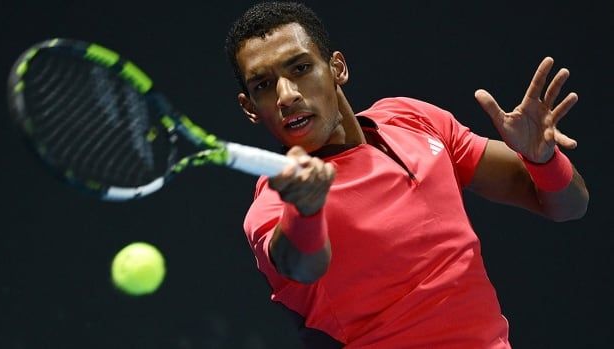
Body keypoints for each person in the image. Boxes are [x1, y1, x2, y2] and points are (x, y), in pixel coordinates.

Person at [224, 2, 589, 348]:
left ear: (337, 68)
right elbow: (301, 265)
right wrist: (304, 210)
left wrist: (543, 159)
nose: (286, 95)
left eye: (300, 68)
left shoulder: (411, 120)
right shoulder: (273, 205)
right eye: (263, 85)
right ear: (250, 108)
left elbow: (569, 206)